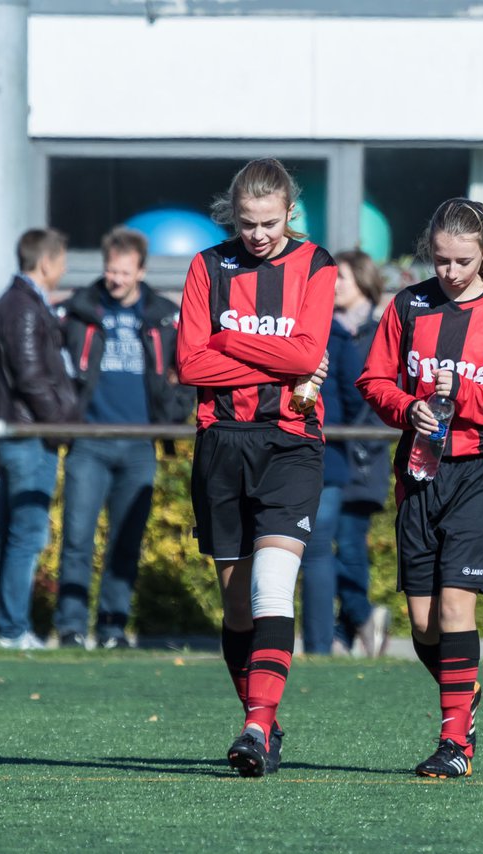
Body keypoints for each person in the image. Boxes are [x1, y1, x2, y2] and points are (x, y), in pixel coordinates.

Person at [357, 198, 483, 778]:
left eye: (462, 261)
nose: (450, 271)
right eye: (440, 260)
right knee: (422, 624)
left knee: (457, 605)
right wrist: (407, 406)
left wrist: (464, 397)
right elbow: (373, 380)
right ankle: (464, 698)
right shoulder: (408, 305)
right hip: (420, 472)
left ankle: (455, 744)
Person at [175, 158, 335, 778]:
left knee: (273, 585)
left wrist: (226, 342)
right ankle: (261, 719)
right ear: (232, 217)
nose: (259, 234)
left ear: (289, 212)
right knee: (237, 606)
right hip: (221, 443)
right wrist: (279, 364)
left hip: (291, 443)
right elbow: (190, 366)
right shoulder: (206, 267)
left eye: (269, 222)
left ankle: (256, 725)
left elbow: (309, 352)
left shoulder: (316, 265)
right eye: (247, 224)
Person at [53, 227, 195, 650]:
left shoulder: (164, 315)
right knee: (77, 537)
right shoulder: (80, 310)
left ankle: (113, 628)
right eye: (110, 270)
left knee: (125, 542)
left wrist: (171, 417)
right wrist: (65, 412)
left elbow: (190, 368)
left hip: (139, 446)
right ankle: (71, 627)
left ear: (142, 271)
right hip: (89, 443)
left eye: (124, 271)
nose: (115, 278)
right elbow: (49, 362)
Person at [0, 228, 79, 651]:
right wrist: (57, 425)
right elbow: (30, 376)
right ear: (47, 262)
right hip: (27, 437)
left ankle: (6, 625)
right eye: (61, 261)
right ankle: (12, 628)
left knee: (13, 532)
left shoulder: (12, 303)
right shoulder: (23, 307)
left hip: (17, 434)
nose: (64, 269)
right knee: (27, 535)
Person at [331, 250, 392, 657]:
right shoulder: (328, 330)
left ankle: (363, 616)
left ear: (364, 283)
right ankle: (346, 628)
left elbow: (379, 401)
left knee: (347, 545)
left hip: (364, 458)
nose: (334, 285)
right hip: (335, 457)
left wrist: (365, 446)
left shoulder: (379, 333)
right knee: (328, 544)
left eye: (343, 279)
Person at [296, 315, 360, 655]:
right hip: (326, 452)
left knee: (273, 549)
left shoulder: (330, 333)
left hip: (293, 452)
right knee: (317, 552)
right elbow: (357, 394)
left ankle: (261, 645)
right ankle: (318, 647)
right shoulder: (335, 333)